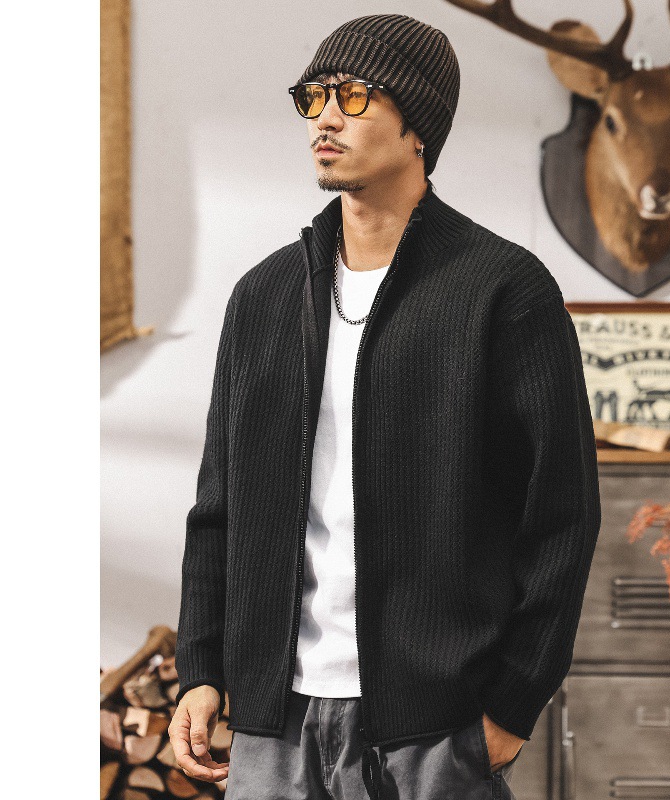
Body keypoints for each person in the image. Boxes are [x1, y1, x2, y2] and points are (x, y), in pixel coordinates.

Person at [168, 13, 601, 800]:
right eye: (314, 97)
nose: (325, 118)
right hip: (273, 720)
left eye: (355, 95)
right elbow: (218, 506)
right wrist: (200, 667)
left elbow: (561, 517)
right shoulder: (263, 297)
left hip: (433, 726)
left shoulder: (504, 293)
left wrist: (514, 703)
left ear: (419, 126)